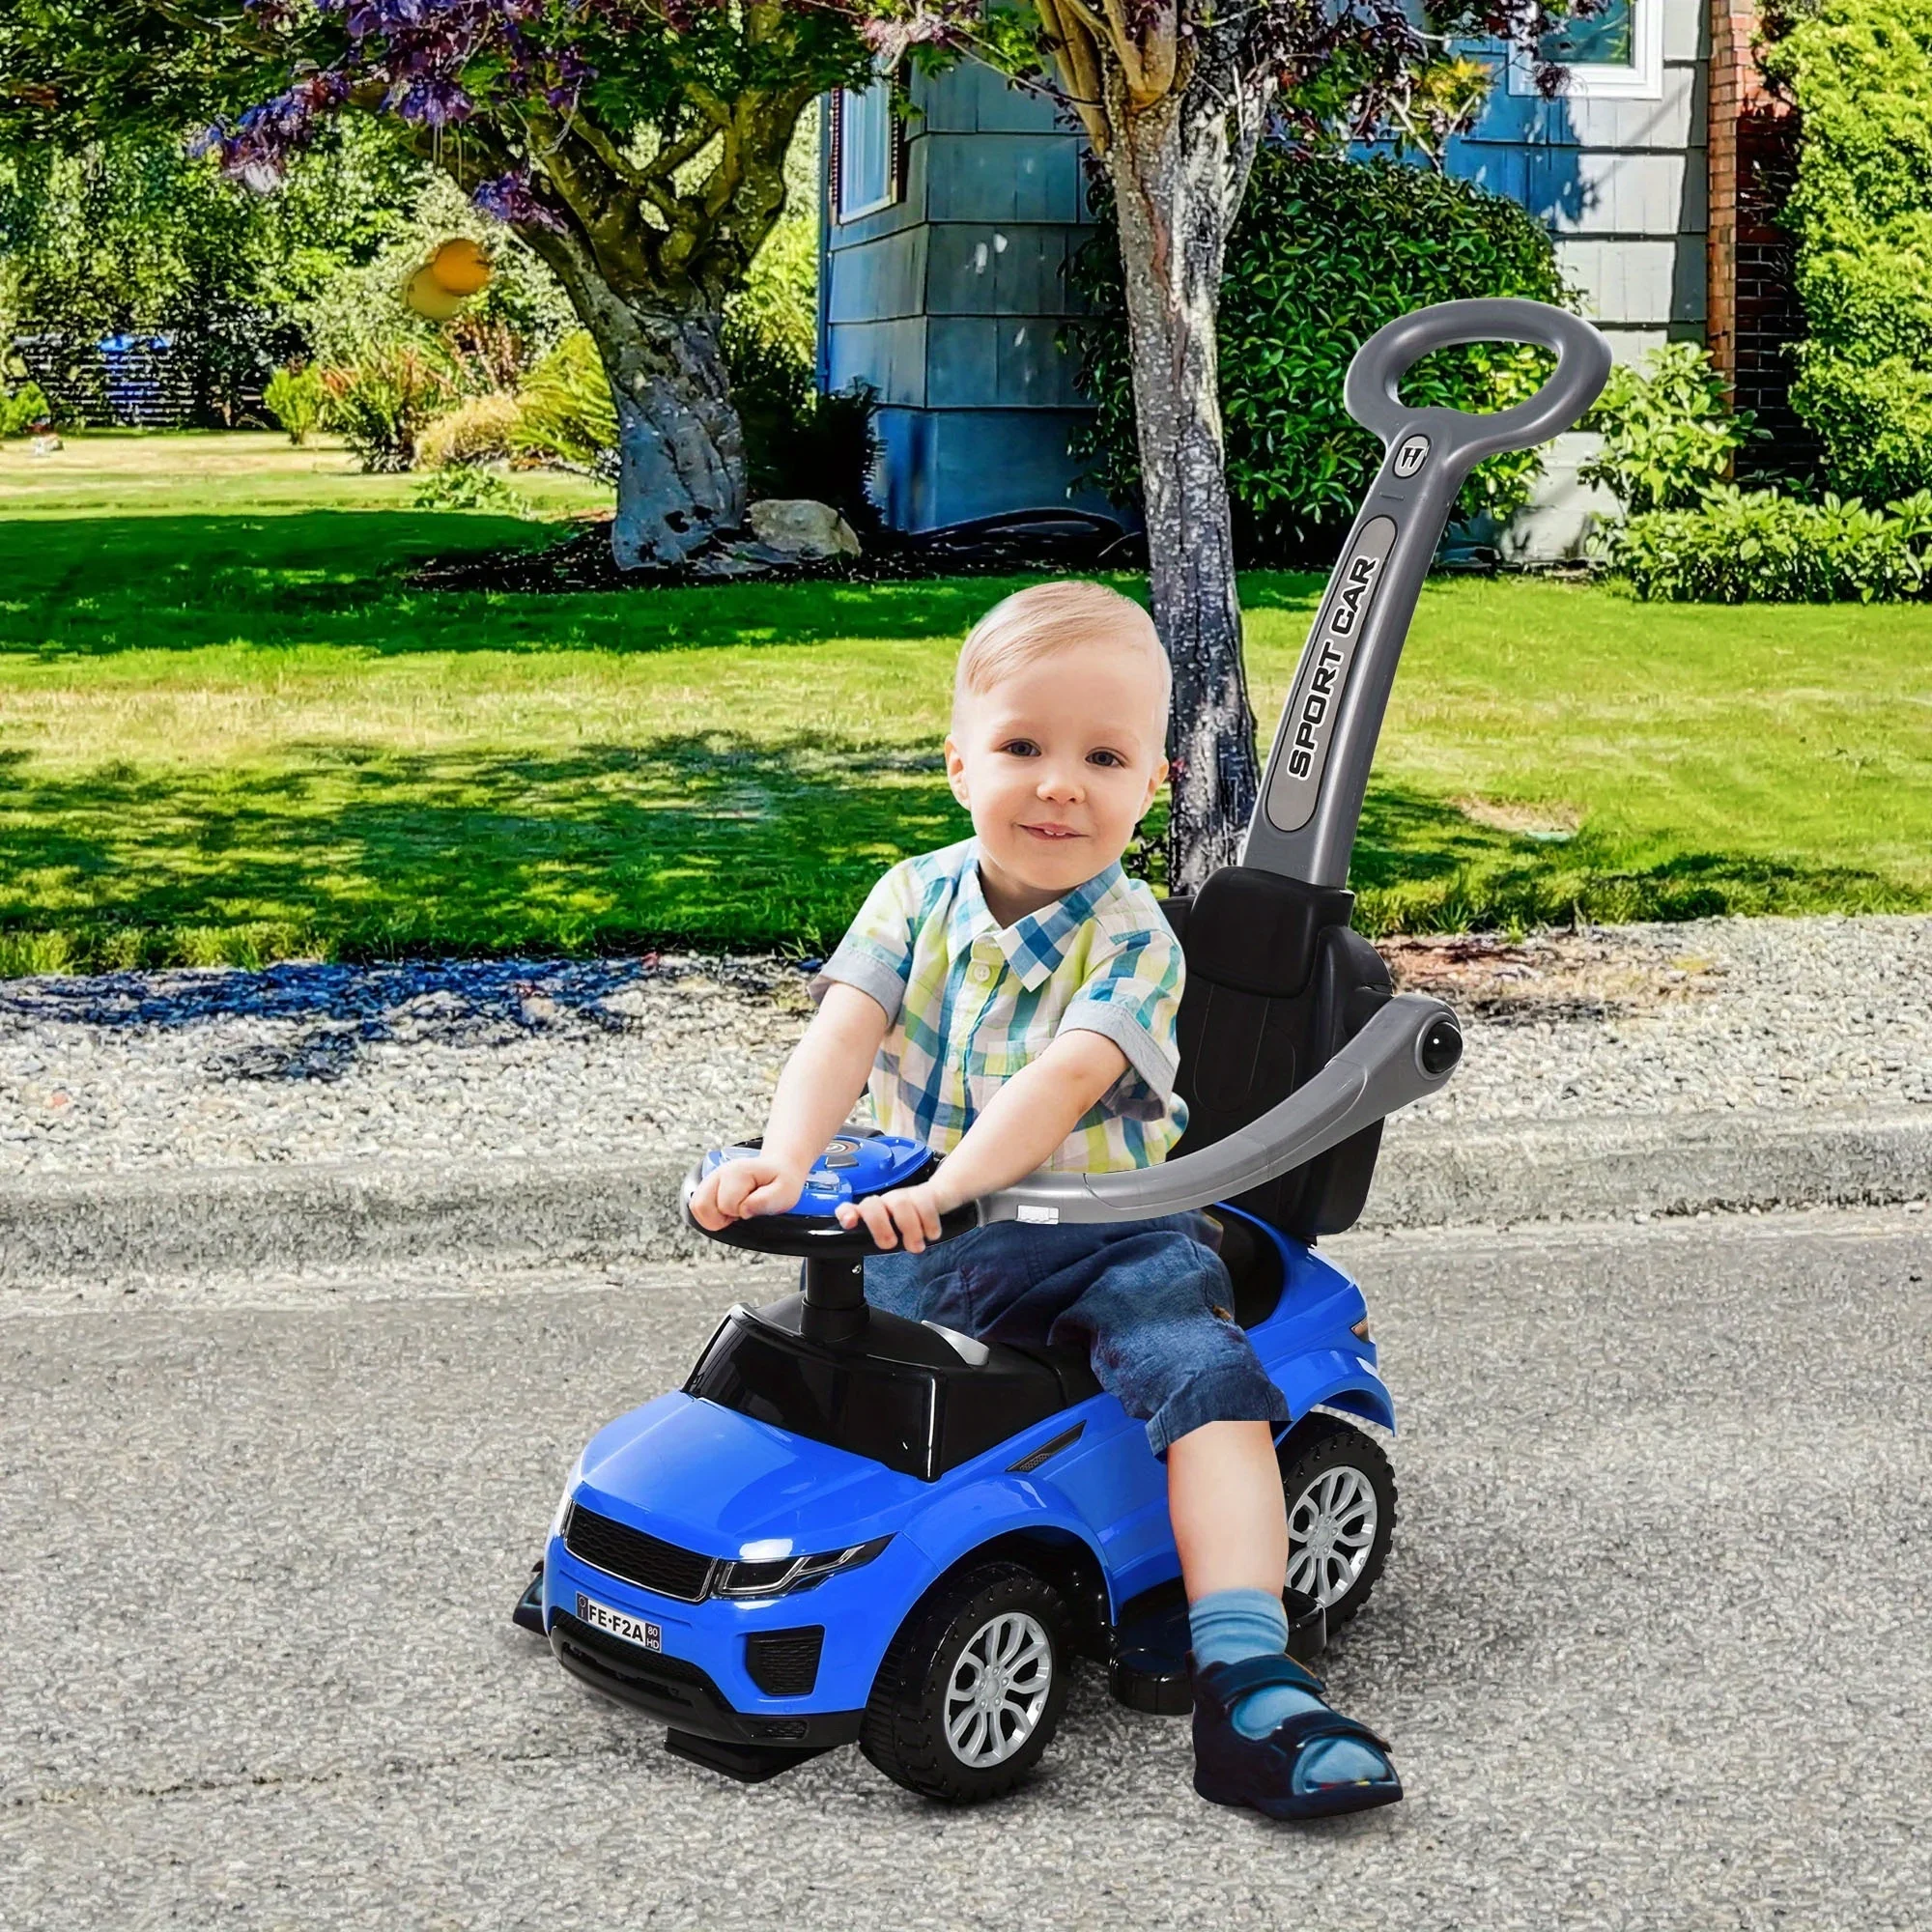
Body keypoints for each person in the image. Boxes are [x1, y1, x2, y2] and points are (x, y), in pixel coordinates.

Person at [687, 580, 1398, 1820]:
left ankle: (1246, 1667)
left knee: (1200, 1374)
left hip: (1104, 1236)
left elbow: (1066, 1081)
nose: (1059, 782)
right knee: (805, 1368)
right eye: (1023, 746)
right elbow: (839, 1035)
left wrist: (959, 1183)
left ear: (1152, 784)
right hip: (926, 1225)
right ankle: (684, 1564)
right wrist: (789, 1162)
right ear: (958, 760)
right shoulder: (910, 894)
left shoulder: (1133, 940)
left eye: (1102, 755)